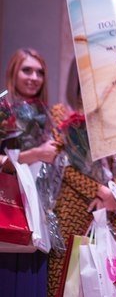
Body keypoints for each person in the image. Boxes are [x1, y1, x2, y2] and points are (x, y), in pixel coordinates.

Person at [47, 59, 116, 296]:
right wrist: (99, 190)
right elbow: (61, 162)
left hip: (108, 210)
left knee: (107, 280)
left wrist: (113, 193)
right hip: (71, 206)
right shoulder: (61, 113)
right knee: (66, 279)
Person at [0, 48, 59, 297]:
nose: (34, 77)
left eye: (40, 72)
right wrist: (34, 154)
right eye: (27, 70)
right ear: (13, 72)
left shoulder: (48, 115)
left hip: (38, 210)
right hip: (8, 208)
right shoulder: (2, 109)